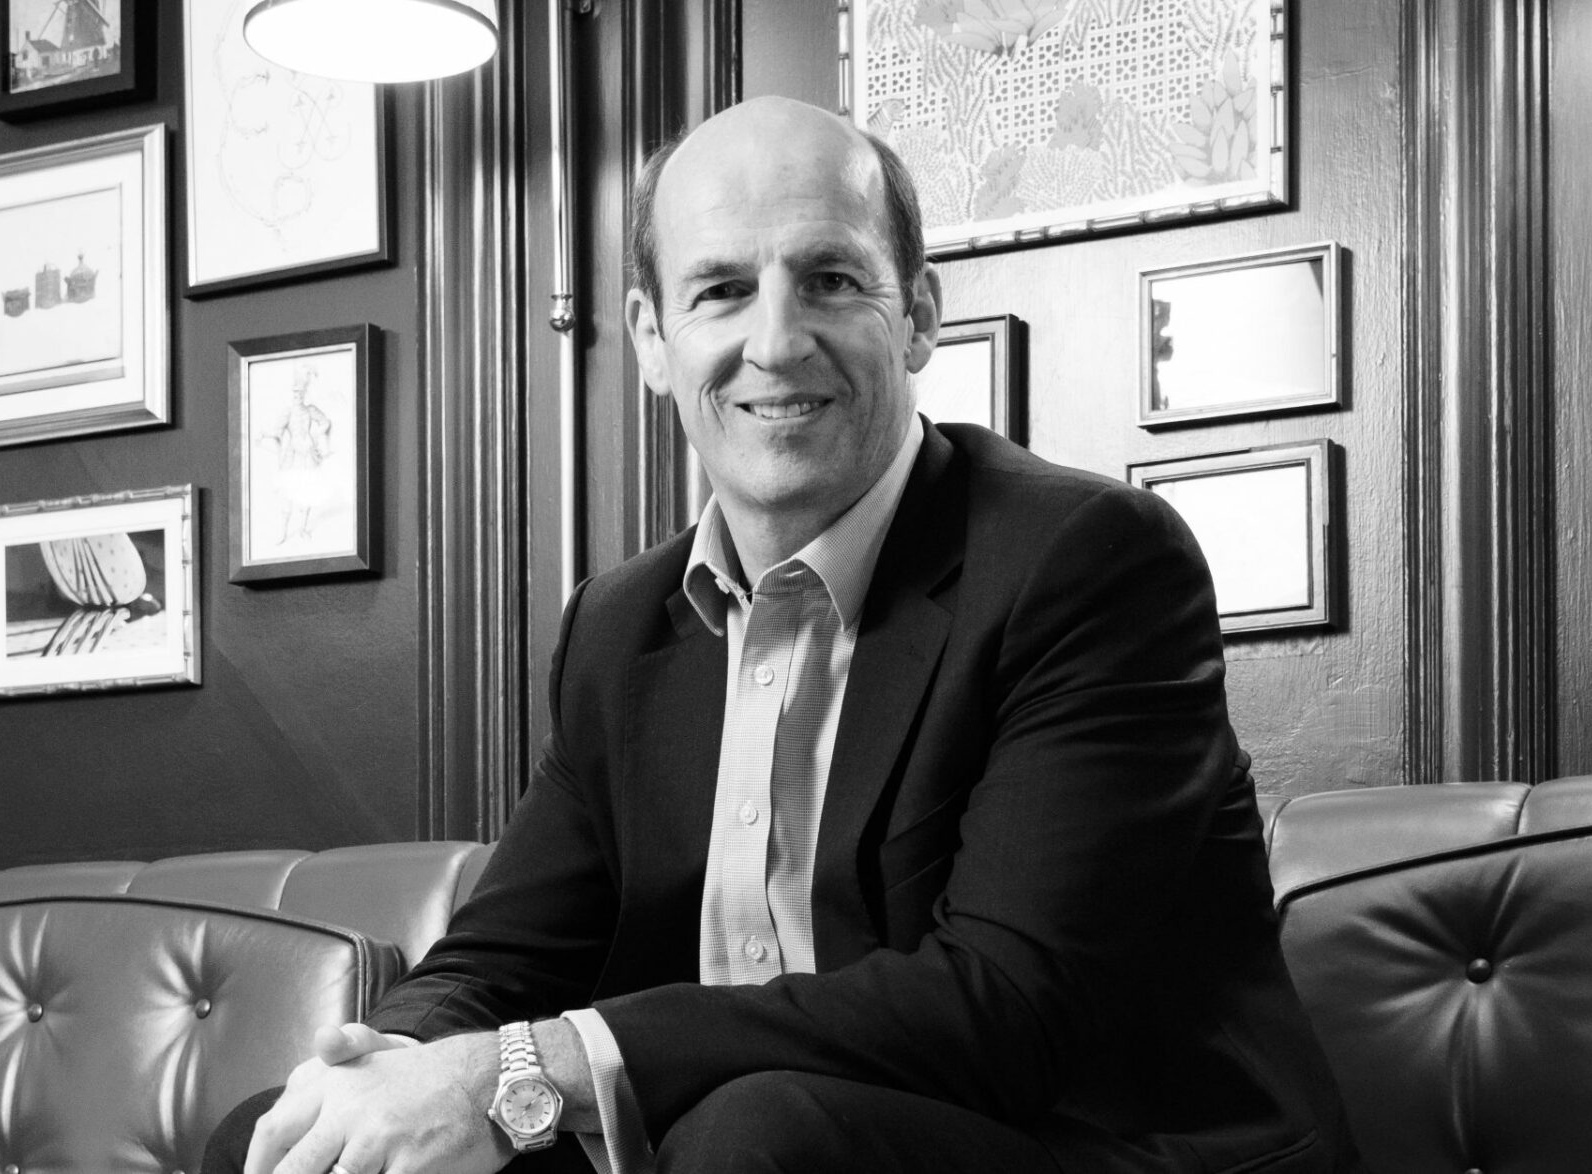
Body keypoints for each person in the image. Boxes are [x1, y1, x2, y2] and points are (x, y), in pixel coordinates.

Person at [204, 95, 1355, 1174]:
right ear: (652, 339)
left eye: (830, 279)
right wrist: (393, 1068)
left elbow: (1007, 1006)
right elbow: (503, 953)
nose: (776, 339)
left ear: (918, 317)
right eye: (720, 290)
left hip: (1094, 1143)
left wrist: (534, 1066)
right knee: (282, 1139)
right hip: (764, 1146)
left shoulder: (1089, 563)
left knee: (752, 1132)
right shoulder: (620, 629)